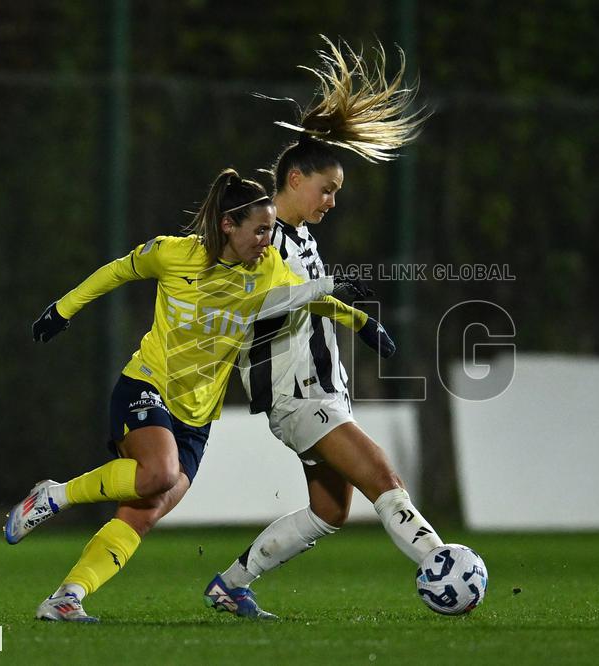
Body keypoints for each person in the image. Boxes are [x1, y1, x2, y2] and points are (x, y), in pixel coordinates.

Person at [4, 168, 376, 623]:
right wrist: (62, 310)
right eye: (260, 230)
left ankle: (65, 597)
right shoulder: (173, 254)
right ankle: (56, 496)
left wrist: (360, 320)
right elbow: (118, 270)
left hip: (197, 417)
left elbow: (302, 298)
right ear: (227, 226)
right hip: (147, 384)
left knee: (143, 512)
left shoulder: (267, 270)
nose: (267, 240)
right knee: (159, 474)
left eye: (271, 230)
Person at [203, 37, 444, 620]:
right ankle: (444, 564)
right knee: (383, 475)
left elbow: (311, 298)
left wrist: (360, 324)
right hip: (296, 395)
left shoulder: (303, 239)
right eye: (326, 189)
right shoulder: (262, 238)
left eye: (337, 192)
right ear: (292, 180)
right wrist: (332, 292)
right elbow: (252, 306)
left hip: (321, 390)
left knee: (331, 511)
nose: (332, 201)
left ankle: (231, 583)